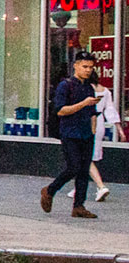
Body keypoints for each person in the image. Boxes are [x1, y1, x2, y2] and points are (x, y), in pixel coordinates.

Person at [44, 51, 102, 218]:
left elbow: (92, 113)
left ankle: (79, 206)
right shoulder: (65, 85)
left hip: (85, 134)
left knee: (84, 170)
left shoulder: (89, 88)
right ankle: (50, 190)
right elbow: (61, 111)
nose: (88, 70)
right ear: (76, 65)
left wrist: (92, 131)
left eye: (91, 67)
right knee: (73, 167)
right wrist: (83, 103)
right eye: (85, 66)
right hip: (70, 132)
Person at [89, 81, 116, 204]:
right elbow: (110, 110)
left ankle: (100, 186)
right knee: (88, 156)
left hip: (88, 122)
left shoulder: (85, 89)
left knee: (84, 156)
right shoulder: (105, 91)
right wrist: (119, 128)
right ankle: (79, 187)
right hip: (100, 123)